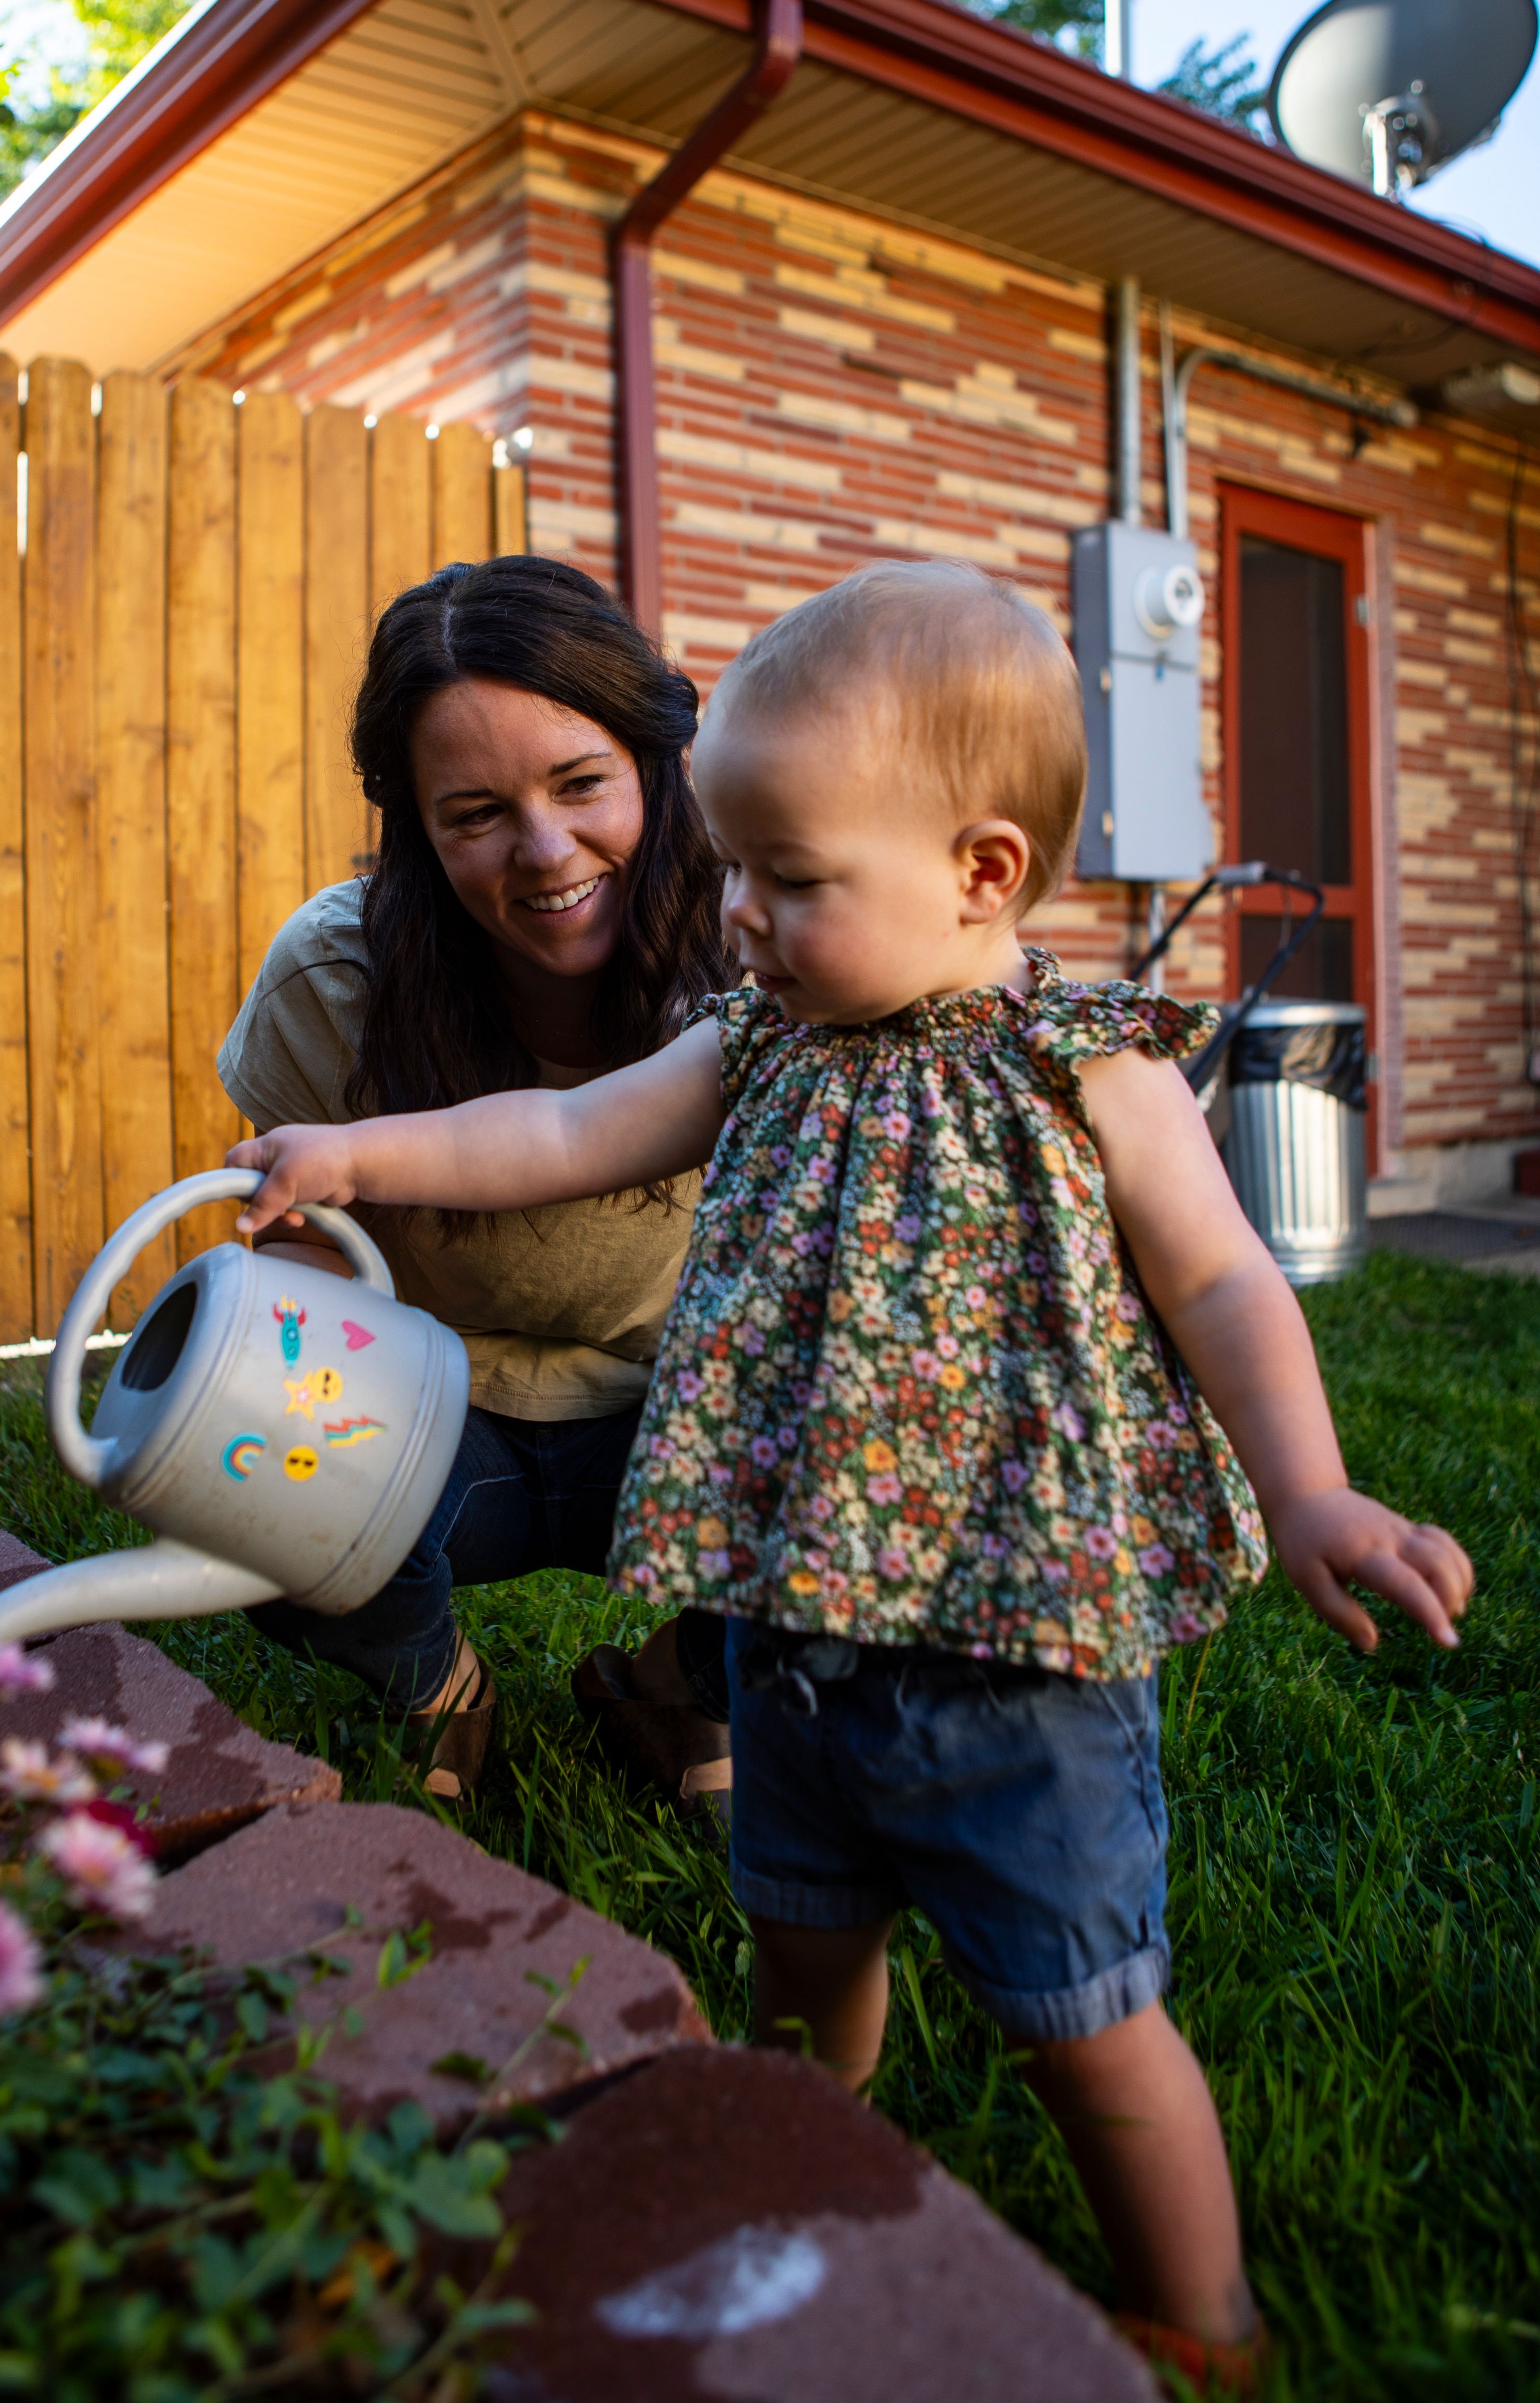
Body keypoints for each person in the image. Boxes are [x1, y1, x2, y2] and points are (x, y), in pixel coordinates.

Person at [225, 556, 1475, 2383]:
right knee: (796, 1959)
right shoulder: (754, 1042)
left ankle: (1196, 2317)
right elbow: (561, 1128)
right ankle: (805, 2191)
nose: (733, 912)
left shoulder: (1087, 1071)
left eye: (787, 880)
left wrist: (1308, 1489)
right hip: (792, 1646)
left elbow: (1218, 1275)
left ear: (978, 871)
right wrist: (356, 1149)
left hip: (1012, 1664)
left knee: (1080, 2023)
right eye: (730, 866)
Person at [218, 554, 736, 1800]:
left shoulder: (761, 954)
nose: (546, 850)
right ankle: (435, 1687)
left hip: (685, 1425)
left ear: (656, 762)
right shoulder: (336, 981)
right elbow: (294, 1276)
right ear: (416, 826)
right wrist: (291, 1441)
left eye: (581, 783)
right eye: (476, 813)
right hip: (437, 1424)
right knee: (250, 1455)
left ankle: (680, 1688)